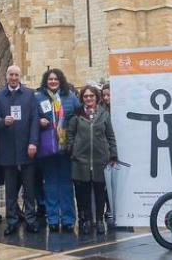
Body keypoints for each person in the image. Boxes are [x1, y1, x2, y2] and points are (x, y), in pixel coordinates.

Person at [65, 84, 116, 235]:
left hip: (100, 159)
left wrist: (113, 153)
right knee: (82, 193)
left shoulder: (104, 114)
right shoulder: (76, 114)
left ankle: (99, 220)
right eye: (86, 96)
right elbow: (70, 134)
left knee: (100, 191)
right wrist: (72, 149)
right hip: (81, 160)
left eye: (91, 96)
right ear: (82, 98)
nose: (88, 99)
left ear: (96, 97)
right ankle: (85, 220)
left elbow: (110, 136)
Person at [0, 65, 39, 235]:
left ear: (20, 77)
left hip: (27, 148)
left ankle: (30, 220)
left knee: (29, 189)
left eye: (16, 75)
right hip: (8, 149)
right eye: (11, 75)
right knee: (11, 189)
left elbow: (35, 119)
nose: (13, 78)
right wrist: (2, 121)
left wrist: (33, 142)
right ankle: (12, 220)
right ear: (6, 76)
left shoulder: (29, 94)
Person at [35, 68, 79, 232]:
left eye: (56, 79)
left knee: (66, 184)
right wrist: (40, 121)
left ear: (61, 81)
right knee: (50, 184)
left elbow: (78, 116)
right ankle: (52, 218)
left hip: (65, 147)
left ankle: (68, 219)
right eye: (50, 79)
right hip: (47, 147)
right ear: (46, 81)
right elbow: (33, 118)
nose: (53, 82)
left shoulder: (70, 97)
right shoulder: (39, 98)